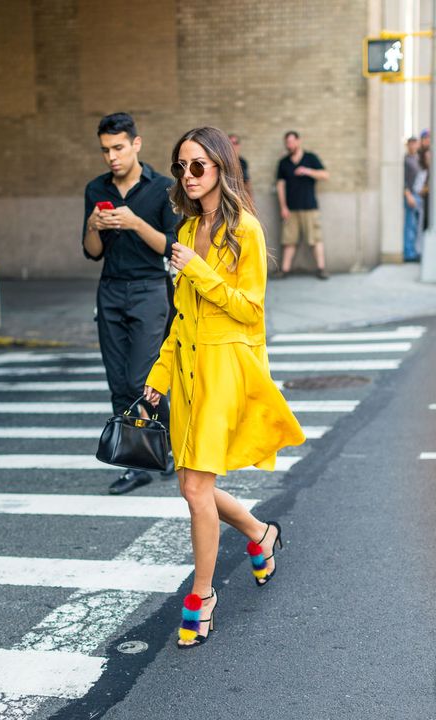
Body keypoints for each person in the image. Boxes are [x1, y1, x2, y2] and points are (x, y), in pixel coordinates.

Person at [143, 126, 305, 649]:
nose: (188, 177)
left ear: (220, 167)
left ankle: (203, 595)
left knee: (193, 489)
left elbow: (250, 310)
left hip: (226, 370)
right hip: (190, 373)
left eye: (198, 166)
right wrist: (157, 379)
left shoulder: (248, 231)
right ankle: (261, 534)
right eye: (181, 167)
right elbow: (181, 319)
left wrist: (200, 272)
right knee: (198, 487)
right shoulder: (187, 231)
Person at [83, 112, 177, 495]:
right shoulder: (96, 188)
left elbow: (172, 248)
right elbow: (91, 253)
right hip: (110, 290)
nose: (112, 157)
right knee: (119, 384)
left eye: (118, 147)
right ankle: (134, 464)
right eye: (106, 150)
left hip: (149, 289)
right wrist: (93, 226)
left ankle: (168, 441)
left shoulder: (163, 188)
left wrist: (136, 223)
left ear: (136, 144)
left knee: (141, 380)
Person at [276, 130, 329, 279]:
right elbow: (280, 186)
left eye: (292, 142)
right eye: (287, 142)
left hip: (309, 207)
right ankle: (284, 270)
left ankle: (321, 269)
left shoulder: (310, 158)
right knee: (289, 241)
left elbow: (325, 175)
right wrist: (283, 207)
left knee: (315, 239)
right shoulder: (283, 163)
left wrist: (308, 171)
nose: (290, 145)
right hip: (291, 209)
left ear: (298, 141)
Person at [403, 136, 422, 262]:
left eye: (415, 143)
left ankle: (414, 251)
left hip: (419, 194)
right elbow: (403, 179)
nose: (413, 146)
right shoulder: (405, 160)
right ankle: (408, 253)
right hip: (410, 195)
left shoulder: (419, 159)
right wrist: (408, 194)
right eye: (411, 143)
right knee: (410, 225)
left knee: (416, 226)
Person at [228, 133, 254, 199]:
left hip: (240, 198)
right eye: (230, 143)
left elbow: (247, 182)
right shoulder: (222, 162)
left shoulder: (243, 162)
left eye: (235, 143)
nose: (233, 146)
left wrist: (251, 201)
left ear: (239, 145)